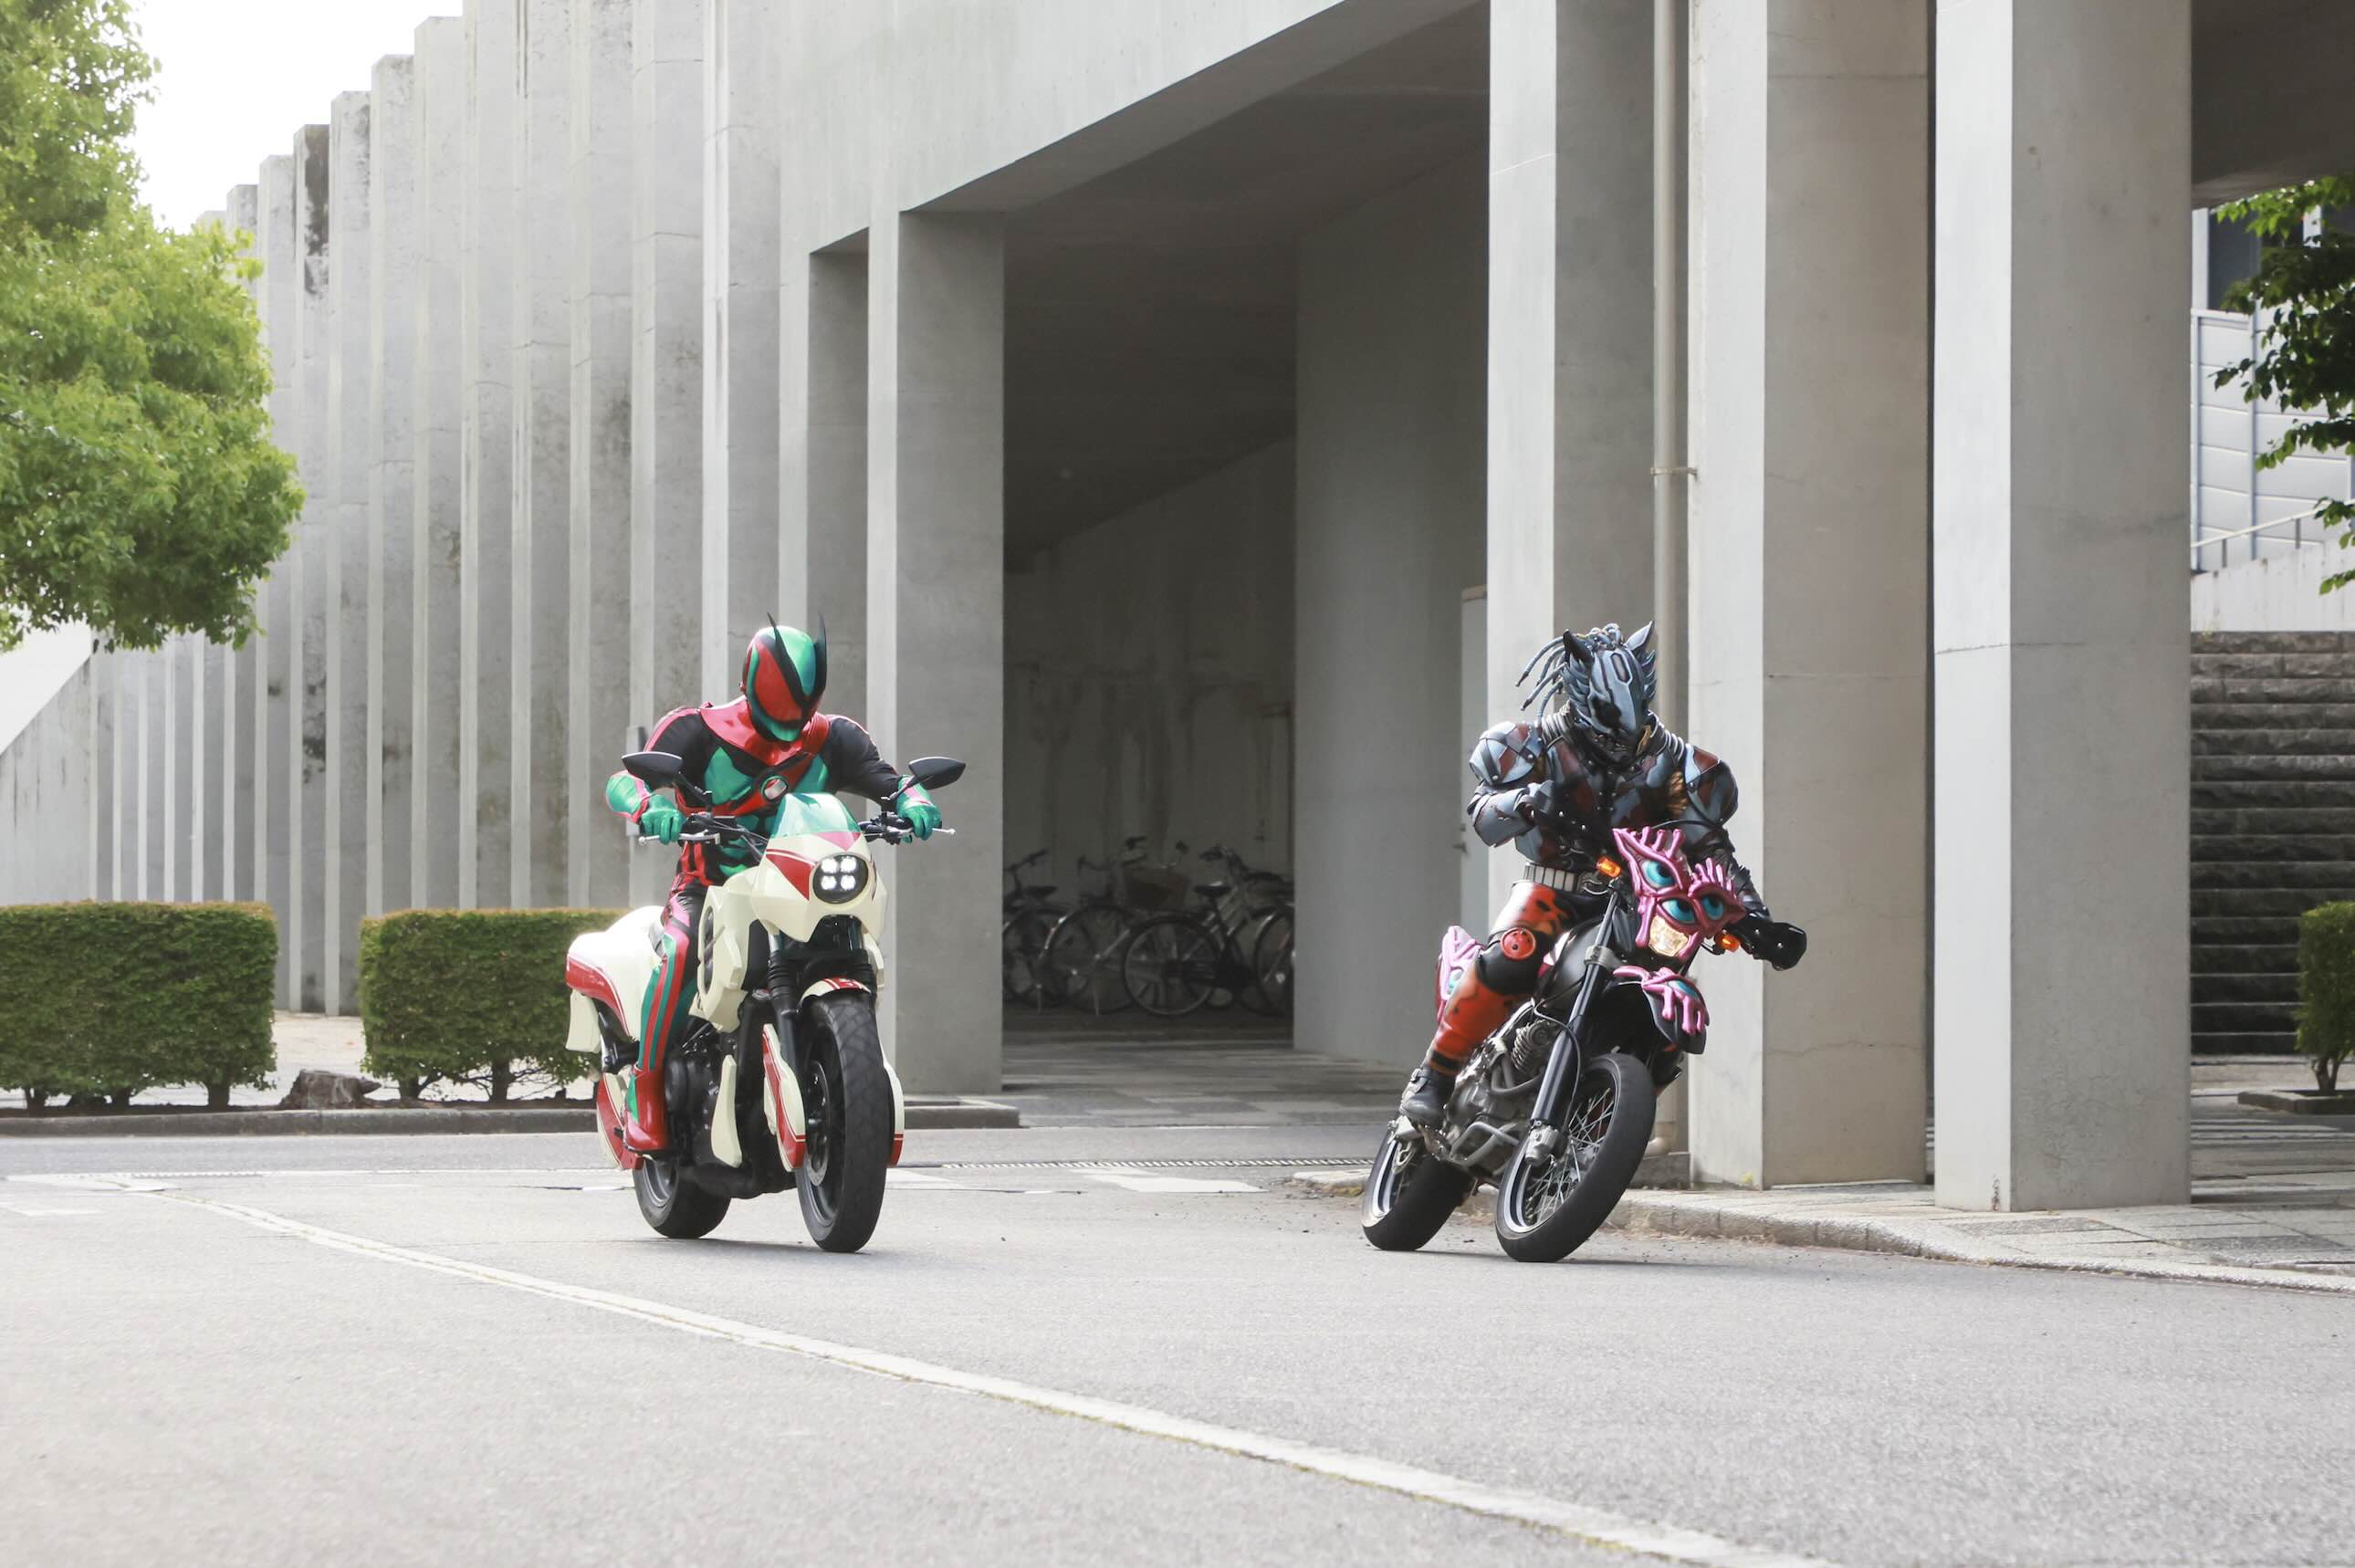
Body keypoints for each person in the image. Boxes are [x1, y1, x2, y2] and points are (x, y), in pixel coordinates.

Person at [1400, 622, 1806, 1127]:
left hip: (1642, 902)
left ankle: (1597, 1127)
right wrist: (1525, 801)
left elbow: (1710, 849)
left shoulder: (1679, 765)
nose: (1619, 741)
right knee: (1514, 952)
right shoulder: (1534, 743)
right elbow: (1484, 815)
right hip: (1555, 886)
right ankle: (1435, 1075)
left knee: (1671, 1000)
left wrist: (1756, 919)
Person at [603, 622, 941, 1154]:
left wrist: (913, 801)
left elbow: (888, 780)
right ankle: (645, 1091)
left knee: (849, 936)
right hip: (711, 884)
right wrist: (651, 805)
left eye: (797, 716)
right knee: (682, 948)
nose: (788, 731)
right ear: (749, 687)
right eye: (776, 714)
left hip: (798, 887)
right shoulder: (696, 730)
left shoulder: (834, 736)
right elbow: (625, 780)